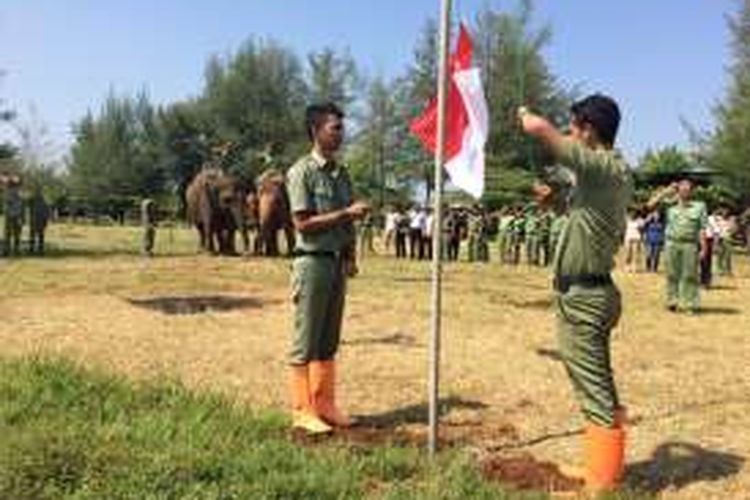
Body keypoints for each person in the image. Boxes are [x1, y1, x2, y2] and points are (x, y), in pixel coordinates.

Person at [519, 94, 631, 493]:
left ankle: (601, 482)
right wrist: (556, 203)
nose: (569, 133)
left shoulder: (603, 166)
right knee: (597, 380)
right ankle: (605, 467)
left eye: (573, 126)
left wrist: (535, 123)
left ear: (589, 129)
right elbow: (583, 217)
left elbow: (562, 148)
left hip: (586, 296)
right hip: (587, 293)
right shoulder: (601, 178)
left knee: (593, 385)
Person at [286, 102, 369, 435]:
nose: (340, 133)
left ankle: (325, 404)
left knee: (328, 340)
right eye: (335, 127)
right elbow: (303, 223)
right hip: (312, 263)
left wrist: (350, 255)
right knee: (306, 340)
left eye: (341, 128)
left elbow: (346, 221)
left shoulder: (341, 173)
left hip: (336, 263)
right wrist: (347, 214)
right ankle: (302, 410)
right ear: (315, 131)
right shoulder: (301, 172)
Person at [648, 178, 707, 313]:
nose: (685, 191)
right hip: (671, 243)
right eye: (682, 188)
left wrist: (704, 247)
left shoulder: (700, 206)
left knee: (689, 275)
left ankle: (688, 304)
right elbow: (650, 205)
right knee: (672, 273)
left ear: (692, 191)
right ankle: (672, 301)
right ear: (678, 190)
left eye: (688, 189)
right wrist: (667, 190)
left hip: (690, 244)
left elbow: (702, 228)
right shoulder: (669, 205)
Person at [3, 175, 24, 257]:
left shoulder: (9, 191)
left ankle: (11, 250)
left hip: (12, 214)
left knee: (12, 234)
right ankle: (11, 250)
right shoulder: (13, 191)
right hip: (13, 214)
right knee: (13, 233)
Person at [28, 186, 50, 255]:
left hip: (40, 220)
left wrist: (45, 221)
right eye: (37, 192)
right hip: (34, 220)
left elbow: (47, 212)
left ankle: (40, 250)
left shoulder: (44, 202)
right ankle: (32, 249)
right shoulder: (32, 201)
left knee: (40, 236)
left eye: (39, 191)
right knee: (33, 236)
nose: (37, 193)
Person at [623, 208, 644, 273]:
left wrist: (639, 227)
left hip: (636, 237)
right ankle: (627, 266)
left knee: (635, 253)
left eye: (634, 212)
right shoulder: (628, 219)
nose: (633, 214)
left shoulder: (640, 220)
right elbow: (624, 212)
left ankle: (634, 266)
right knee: (628, 253)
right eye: (631, 213)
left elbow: (642, 229)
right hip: (628, 238)